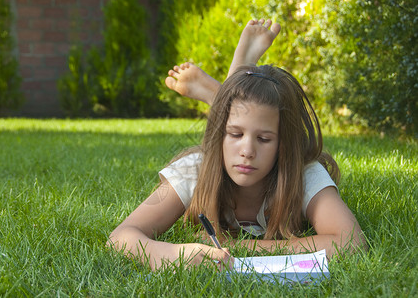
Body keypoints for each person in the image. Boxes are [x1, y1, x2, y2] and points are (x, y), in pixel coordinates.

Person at [107, 19, 365, 270]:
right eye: (234, 134)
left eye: (264, 139)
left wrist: (242, 246)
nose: (247, 151)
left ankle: (224, 93)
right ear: (219, 135)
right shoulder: (193, 170)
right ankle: (226, 93)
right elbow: (120, 238)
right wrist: (170, 254)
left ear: (284, 145)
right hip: (210, 158)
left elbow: (351, 242)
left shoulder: (303, 173)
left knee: (242, 117)